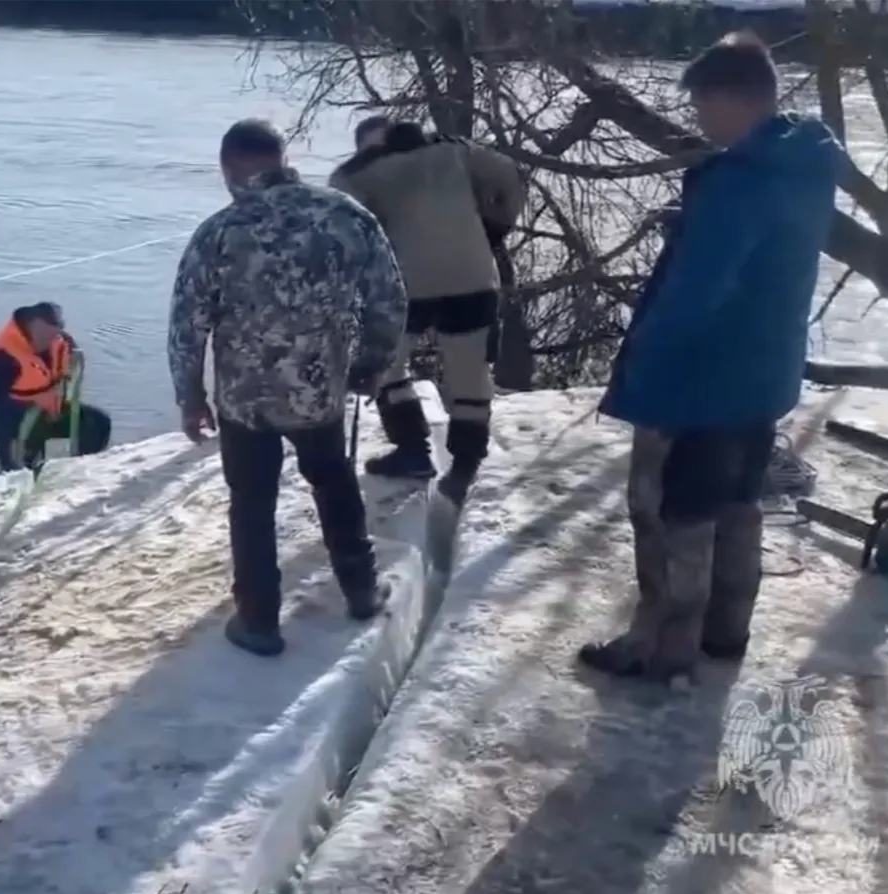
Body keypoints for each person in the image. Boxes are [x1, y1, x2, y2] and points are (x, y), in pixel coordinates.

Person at [580, 32, 841, 684]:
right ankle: (725, 633)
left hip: (702, 380)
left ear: (733, 99)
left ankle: (663, 650)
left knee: (675, 513)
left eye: (702, 103)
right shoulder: (804, 166)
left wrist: (644, 372)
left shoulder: (738, 183)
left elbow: (695, 292)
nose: (698, 117)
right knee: (738, 502)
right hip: (766, 372)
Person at [168, 118, 409, 657]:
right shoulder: (346, 216)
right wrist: (369, 366)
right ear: (281, 159)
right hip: (320, 390)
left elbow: (188, 324)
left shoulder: (220, 231)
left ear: (230, 167)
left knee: (252, 504)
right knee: (334, 482)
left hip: (244, 400)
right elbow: (389, 301)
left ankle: (258, 620)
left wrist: (190, 395)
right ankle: (362, 589)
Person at [329, 116, 526, 501]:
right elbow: (509, 174)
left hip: (405, 285)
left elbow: (345, 228)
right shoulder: (456, 152)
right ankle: (466, 462)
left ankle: (413, 450)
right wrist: (496, 227)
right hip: (472, 276)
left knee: (385, 365)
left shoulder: (356, 175)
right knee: (469, 371)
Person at [0, 302, 112, 473]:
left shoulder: (60, 340)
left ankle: (77, 472)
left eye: (54, 335)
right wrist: (34, 403)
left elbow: (71, 351)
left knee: (97, 422)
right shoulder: (5, 357)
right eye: (45, 336)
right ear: (31, 326)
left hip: (53, 411)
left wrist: (76, 359)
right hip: (17, 423)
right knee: (21, 469)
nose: (49, 341)